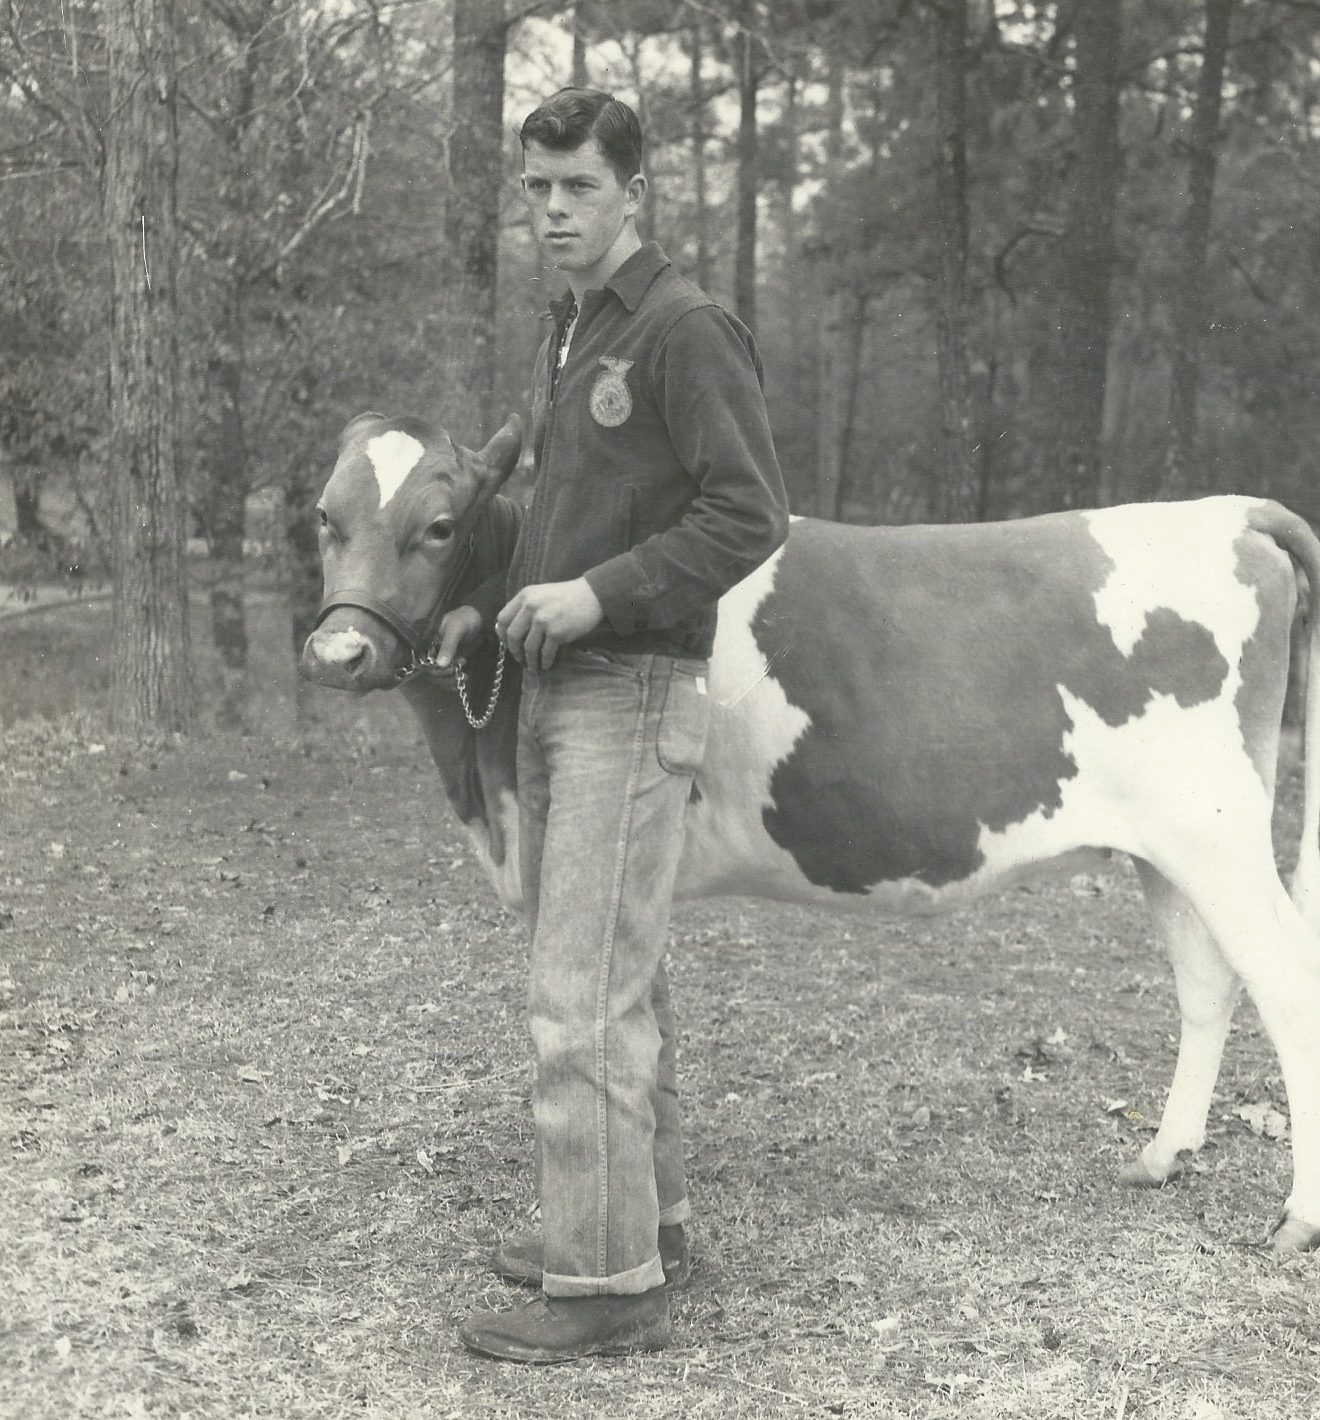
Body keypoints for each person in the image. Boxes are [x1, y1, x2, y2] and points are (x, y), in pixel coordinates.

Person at [432, 89, 789, 1363]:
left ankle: (601, 1288)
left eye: (577, 187)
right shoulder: (573, 328)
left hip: (633, 692)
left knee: (575, 995)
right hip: (557, 689)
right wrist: (489, 600)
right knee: (612, 978)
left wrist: (595, 595)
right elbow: (555, 517)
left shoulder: (684, 329)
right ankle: (641, 1223)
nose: (553, 212)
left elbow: (749, 516)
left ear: (633, 190)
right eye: (535, 190)